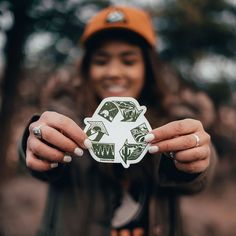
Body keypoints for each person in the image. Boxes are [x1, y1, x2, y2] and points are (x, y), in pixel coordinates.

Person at [19, 5, 217, 236]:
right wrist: (32, 144)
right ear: (86, 69)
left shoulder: (172, 119)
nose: (114, 72)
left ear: (148, 68)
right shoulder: (65, 116)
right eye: (101, 61)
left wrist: (196, 159)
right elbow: (35, 156)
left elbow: (199, 177)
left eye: (128, 60)